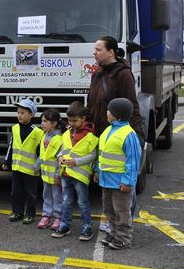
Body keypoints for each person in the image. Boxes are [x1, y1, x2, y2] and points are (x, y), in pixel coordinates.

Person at [94, 98, 141, 250]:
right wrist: (97, 171)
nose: (106, 112)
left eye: (109, 110)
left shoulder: (128, 134)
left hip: (120, 182)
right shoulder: (108, 130)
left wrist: (128, 182)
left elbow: (133, 161)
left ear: (117, 114)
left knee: (121, 211)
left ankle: (123, 238)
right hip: (106, 180)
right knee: (109, 209)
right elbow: (101, 155)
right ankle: (114, 234)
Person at [53, 101, 98, 240]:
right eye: (69, 120)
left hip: (80, 176)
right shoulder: (66, 134)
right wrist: (60, 157)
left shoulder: (90, 137)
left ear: (84, 119)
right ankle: (65, 224)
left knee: (82, 202)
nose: (71, 123)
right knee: (66, 200)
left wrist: (76, 162)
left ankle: (87, 226)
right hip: (66, 173)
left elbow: (92, 155)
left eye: (75, 120)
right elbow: (62, 149)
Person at [87, 36, 143, 139]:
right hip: (96, 136)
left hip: (114, 136)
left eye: (98, 50)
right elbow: (90, 105)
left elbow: (132, 107)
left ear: (110, 52)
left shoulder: (123, 74)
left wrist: (136, 136)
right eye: (95, 50)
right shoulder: (96, 74)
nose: (94, 53)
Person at [2, 99, 43, 224]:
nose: (19, 115)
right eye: (18, 112)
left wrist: (39, 166)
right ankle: (17, 212)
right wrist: (6, 161)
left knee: (30, 193)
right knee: (16, 192)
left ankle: (30, 214)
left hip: (31, 169)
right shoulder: (14, 128)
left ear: (31, 115)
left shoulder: (37, 132)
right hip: (17, 167)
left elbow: (41, 152)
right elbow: (11, 145)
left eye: (23, 112)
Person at [37, 108, 64, 230]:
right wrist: (37, 165)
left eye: (45, 121)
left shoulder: (59, 139)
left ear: (53, 123)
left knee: (57, 197)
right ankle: (46, 215)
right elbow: (43, 154)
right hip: (46, 174)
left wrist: (58, 174)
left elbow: (60, 159)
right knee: (46, 195)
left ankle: (58, 217)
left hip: (55, 176)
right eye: (41, 121)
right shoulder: (45, 136)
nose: (42, 124)